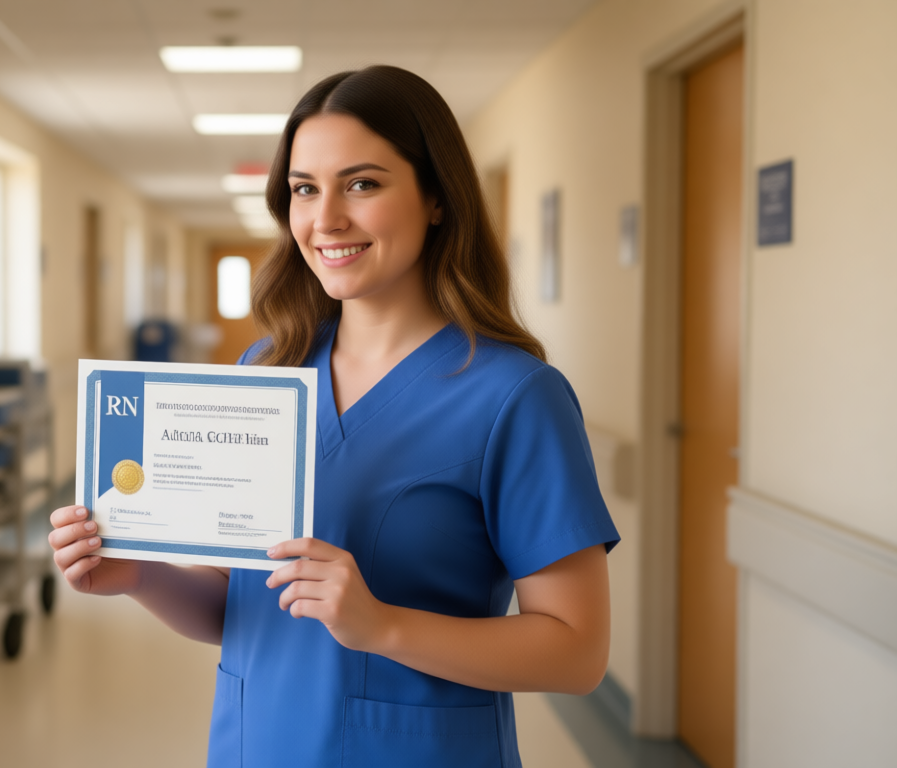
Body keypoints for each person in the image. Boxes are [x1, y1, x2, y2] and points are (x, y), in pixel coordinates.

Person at [49, 65, 619, 767]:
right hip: (253, 745)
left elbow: (577, 652)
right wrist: (137, 575)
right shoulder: (266, 371)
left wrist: (382, 627)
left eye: (363, 183)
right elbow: (239, 608)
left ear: (436, 197)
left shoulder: (515, 397)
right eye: (304, 190)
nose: (326, 220)